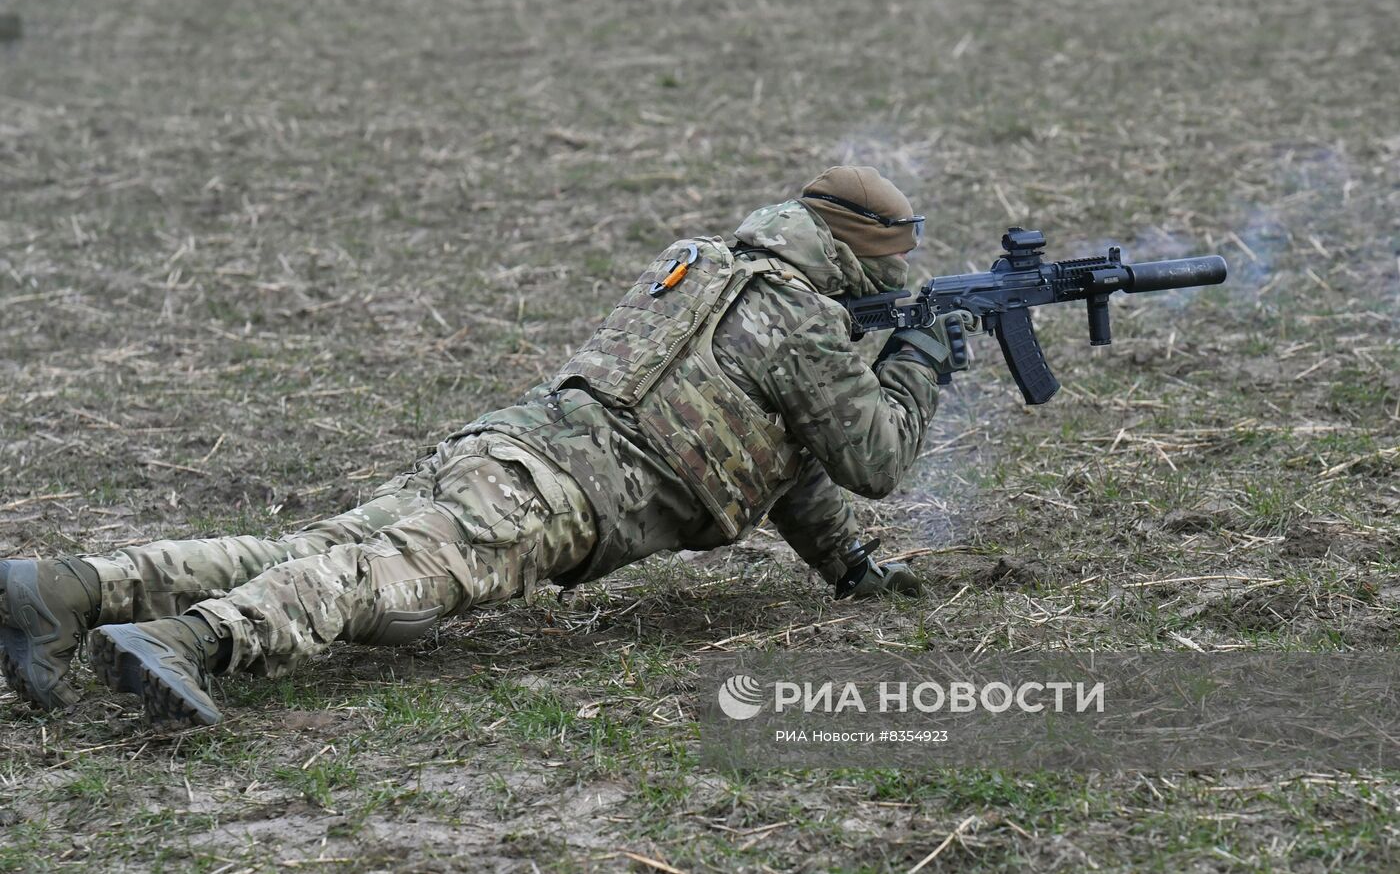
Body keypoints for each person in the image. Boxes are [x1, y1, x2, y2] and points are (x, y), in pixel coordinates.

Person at [0, 166, 966, 729]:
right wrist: (920, 357)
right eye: (899, 263)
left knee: (308, 549)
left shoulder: (710, 264)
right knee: (380, 582)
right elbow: (873, 457)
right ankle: (189, 641)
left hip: (508, 445)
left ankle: (70, 587)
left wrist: (850, 567)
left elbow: (772, 451)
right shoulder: (805, 321)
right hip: (558, 493)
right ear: (862, 252)